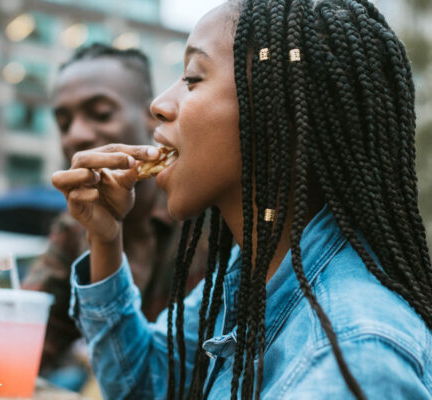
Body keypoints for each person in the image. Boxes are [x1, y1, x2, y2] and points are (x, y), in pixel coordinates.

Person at [52, 0, 432, 398]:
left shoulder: (353, 358)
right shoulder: (255, 269)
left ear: (277, 113)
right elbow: (148, 383)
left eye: (193, 78)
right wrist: (105, 239)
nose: (159, 106)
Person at [0, 44, 207, 378]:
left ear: (153, 116)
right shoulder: (77, 226)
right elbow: (26, 321)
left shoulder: (205, 215)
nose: (76, 134)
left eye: (101, 113)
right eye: (63, 123)